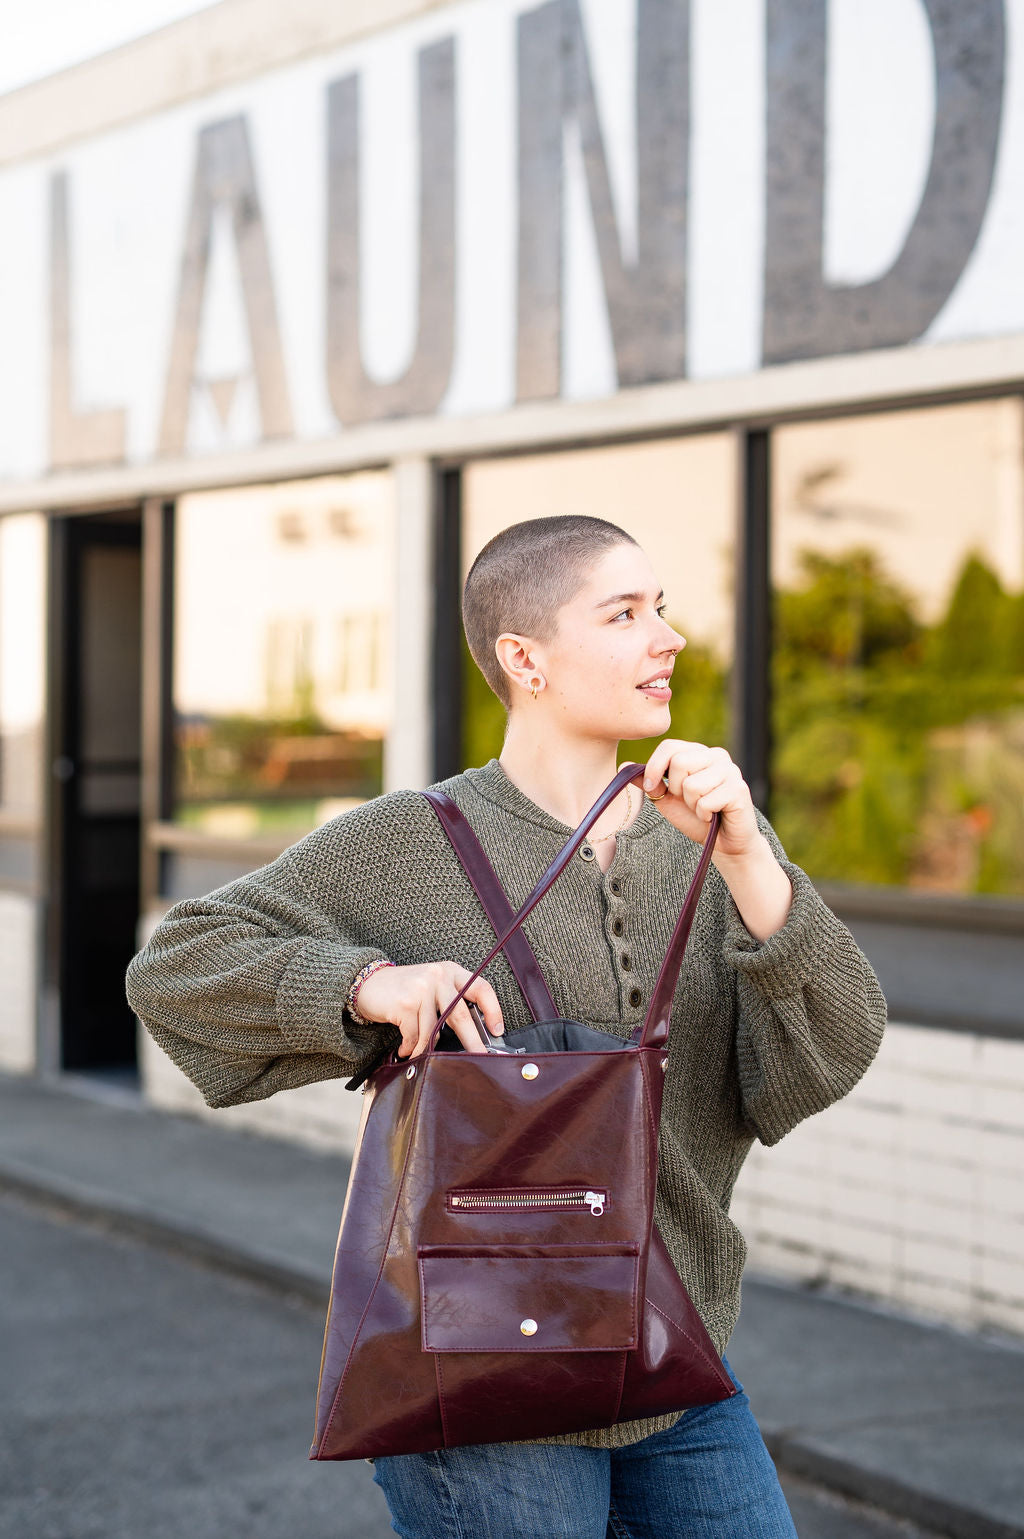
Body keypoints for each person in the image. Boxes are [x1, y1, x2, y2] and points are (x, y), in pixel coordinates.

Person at [125, 514, 887, 1538]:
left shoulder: (708, 845)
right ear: (524, 657)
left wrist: (751, 861)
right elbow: (175, 966)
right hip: (478, 1366)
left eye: (660, 608)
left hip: (675, 1361)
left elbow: (832, 1048)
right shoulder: (406, 841)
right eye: (624, 613)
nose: (668, 638)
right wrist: (362, 985)